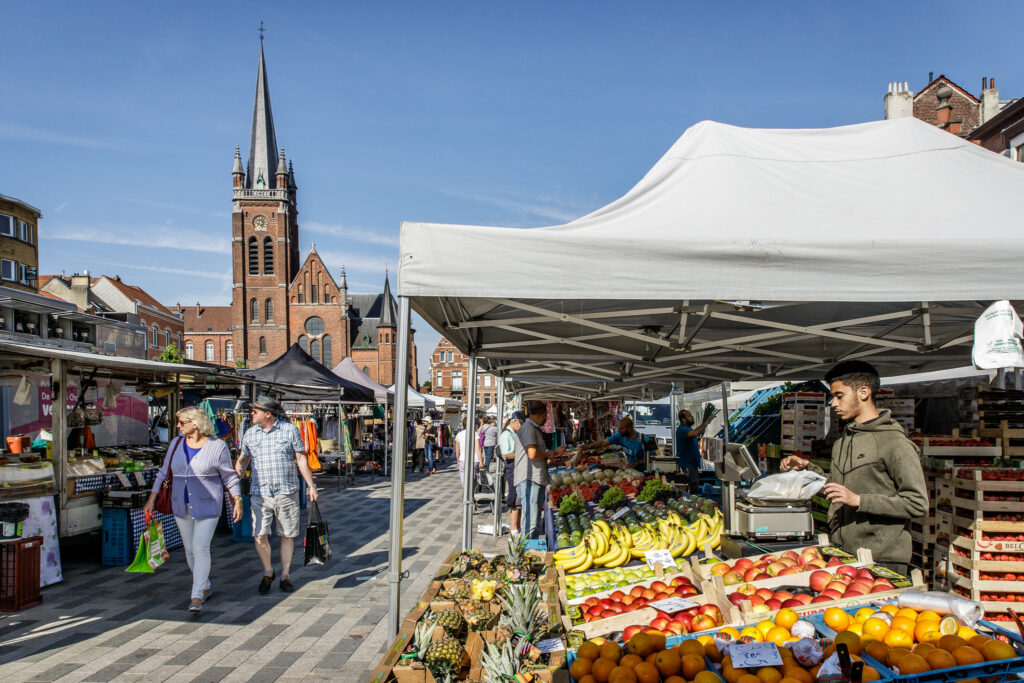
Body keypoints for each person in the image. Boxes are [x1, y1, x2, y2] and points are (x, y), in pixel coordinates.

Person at [781, 361, 928, 575]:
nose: (833, 403)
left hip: (883, 560)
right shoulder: (843, 441)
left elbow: (918, 504)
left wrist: (860, 500)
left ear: (864, 392)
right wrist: (807, 468)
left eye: (839, 396)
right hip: (845, 554)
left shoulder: (895, 444)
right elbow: (838, 489)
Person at [144, 406, 242, 614]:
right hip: (181, 503)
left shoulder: (218, 446)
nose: (178, 426)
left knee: (200, 547)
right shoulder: (176, 443)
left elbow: (229, 476)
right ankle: (204, 584)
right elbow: (163, 472)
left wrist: (237, 499)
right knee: (189, 549)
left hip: (208, 503)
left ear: (195, 423)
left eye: (182, 422)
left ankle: (196, 595)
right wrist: (151, 499)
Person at [235, 394, 319, 594]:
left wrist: (311, 485)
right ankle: (268, 570)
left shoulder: (289, 431)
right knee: (259, 534)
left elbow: (301, 459)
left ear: (268, 414)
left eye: (255, 411)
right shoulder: (250, 434)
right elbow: (243, 459)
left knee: (287, 535)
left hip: (286, 491)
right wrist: (235, 477)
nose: (251, 414)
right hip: (260, 493)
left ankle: (285, 575)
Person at [516, 401, 565, 539]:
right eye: (546, 416)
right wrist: (549, 454)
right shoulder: (528, 428)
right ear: (543, 413)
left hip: (534, 478)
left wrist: (552, 453)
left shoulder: (533, 428)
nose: (546, 419)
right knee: (531, 520)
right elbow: (532, 453)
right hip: (529, 479)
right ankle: (529, 551)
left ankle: (530, 548)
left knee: (534, 518)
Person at [498, 411, 526, 535]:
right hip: (512, 469)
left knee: (518, 500)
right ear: (514, 421)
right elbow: (506, 454)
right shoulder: (506, 435)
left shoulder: (513, 433)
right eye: (521, 424)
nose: (521, 427)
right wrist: (522, 454)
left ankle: (517, 527)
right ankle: (514, 529)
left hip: (517, 469)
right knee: (514, 500)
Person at [581, 416, 645, 468]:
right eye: (619, 428)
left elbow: (652, 457)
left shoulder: (642, 439)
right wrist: (588, 447)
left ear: (629, 428)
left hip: (643, 473)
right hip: (630, 470)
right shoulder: (620, 435)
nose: (619, 430)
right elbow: (603, 443)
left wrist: (638, 463)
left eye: (621, 428)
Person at [675, 408, 715, 494]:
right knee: (692, 488)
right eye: (689, 416)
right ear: (683, 419)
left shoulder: (689, 429)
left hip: (692, 464)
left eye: (691, 415)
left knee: (694, 486)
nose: (692, 417)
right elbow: (696, 433)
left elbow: (697, 433)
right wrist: (706, 421)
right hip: (687, 464)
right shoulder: (682, 429)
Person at [455, 418, 483, 485]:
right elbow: (478, 448)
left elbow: (457, 449)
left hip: (462, 459)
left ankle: (465, 492)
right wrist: (481, 461)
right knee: (472, 480)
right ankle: (470, 493)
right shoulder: (475, 434)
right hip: (474, 460)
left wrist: (458, 460)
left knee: (463, 479)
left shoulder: (459, 434)